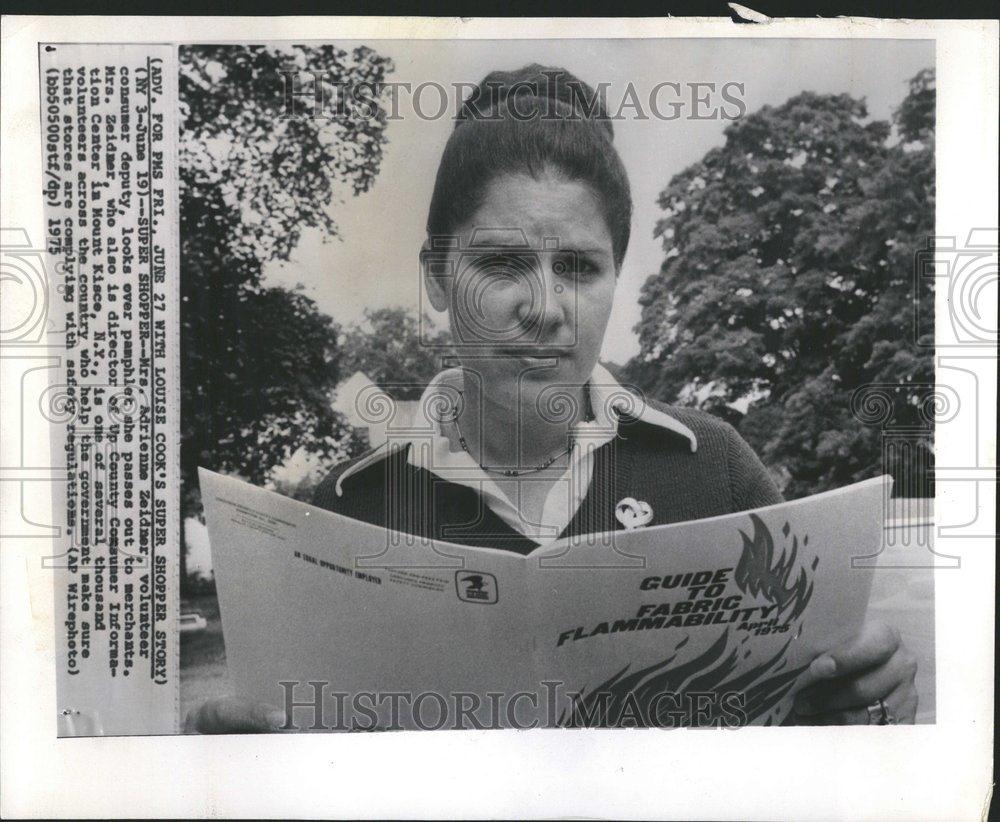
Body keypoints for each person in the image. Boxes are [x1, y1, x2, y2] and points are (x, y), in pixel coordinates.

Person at [189, 65, 917, 732]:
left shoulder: (715, 467)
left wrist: (865, 709)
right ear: (438, 279)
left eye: (578, 268)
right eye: (502, 263)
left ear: (615, 278)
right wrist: (231, 771)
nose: (544, 308)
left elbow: (808, 730)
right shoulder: (343, 511)